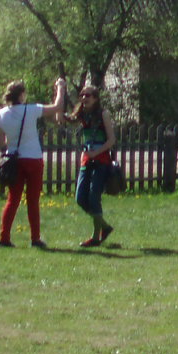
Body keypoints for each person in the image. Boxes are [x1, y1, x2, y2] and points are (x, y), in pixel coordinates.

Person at [0, 77, 67, 249]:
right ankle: (35, 238)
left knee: (13, 200)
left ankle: (4, 238)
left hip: (14, 160)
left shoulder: (1, 114)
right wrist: (60, 88)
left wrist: (13, 141)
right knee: (33, 201)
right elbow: (57, 107)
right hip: (33, 158)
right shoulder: (31, 110)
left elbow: (0, 142)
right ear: (21, 95)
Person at [66, 84, 116, 248]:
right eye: (82, 95)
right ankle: (105, 226)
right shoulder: (81, 114)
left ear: (95, 98)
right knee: (80, 198)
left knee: (94, 197)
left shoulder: (103, 114)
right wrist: (60, 92)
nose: (83, 98)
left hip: (101, 160)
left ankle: (95, 237)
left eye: (87, 95)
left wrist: (96, 152)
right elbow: (64, 119)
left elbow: (111, 140)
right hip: (86, 160)